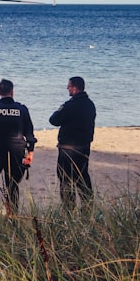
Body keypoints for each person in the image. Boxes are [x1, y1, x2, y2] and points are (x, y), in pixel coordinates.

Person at [0, 79, 37, 216]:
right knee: (12, 186)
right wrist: (31, 151)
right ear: (12, 92)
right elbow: (29, 133)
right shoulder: (22, 109)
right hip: (16, 152)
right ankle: (12, 217)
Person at [49, 76, 96, 211]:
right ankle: (87, 207)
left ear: (75, 88)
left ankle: (69, 209)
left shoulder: (69, 105)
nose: (67, 88)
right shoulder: (90, 105)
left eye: (69, 86)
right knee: (82, 177)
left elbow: (54, 120)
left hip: (68, 149)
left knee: (66, 179)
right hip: (84, 147)